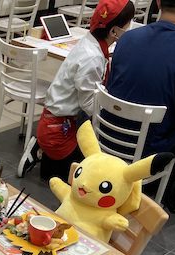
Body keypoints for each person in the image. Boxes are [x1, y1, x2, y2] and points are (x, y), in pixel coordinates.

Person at [36, 0, 135, 181]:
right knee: (94, 173)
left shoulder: (90, 42)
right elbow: (88, 104)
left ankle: (43, 155)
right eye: (128, 24)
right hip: (59, 131)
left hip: (56, 121)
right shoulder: (92, 57)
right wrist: (111, 113)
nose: (130, 28)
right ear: (114, 31)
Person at [107, 0, 175, 213]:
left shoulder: (127, 38)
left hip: (107, 137)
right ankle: (166, 191)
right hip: (150, 151)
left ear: (157, 3)